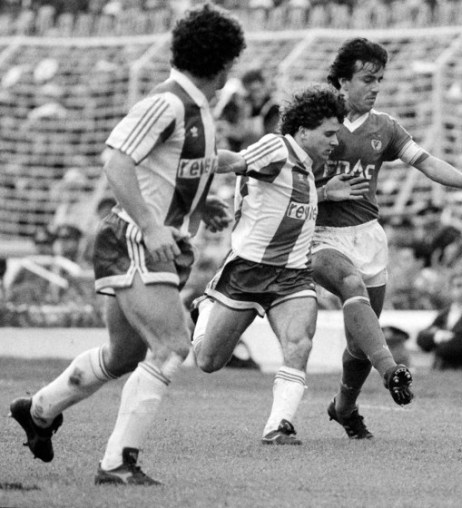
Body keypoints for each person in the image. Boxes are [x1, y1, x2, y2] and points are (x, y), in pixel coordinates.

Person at [9, 4, 246, 486]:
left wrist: (201, 204)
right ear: (224, 62)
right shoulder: (167, 103)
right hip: (137, 239)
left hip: (153, 240)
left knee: (124, 356)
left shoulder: (195, 108)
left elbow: (169, 167)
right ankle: (118, 463)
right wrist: (152, 226)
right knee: (173, 344)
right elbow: (117, 162)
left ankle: (38, 410)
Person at [313, 37, 462, 440]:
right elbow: (286, 180)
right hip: (322, 235)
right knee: (351, 285)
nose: (375, 88)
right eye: (367, 79)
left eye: (379, 80)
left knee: (360, 341)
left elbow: (426, 162)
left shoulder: (384, 127)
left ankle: (344, 407)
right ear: (343, 81)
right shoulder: (316, 122)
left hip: (368, 236)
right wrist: (323, 192)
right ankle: (391, 370)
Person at [191, 85, 351, 445]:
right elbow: (234, 162)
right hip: (248, 270)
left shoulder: (306, 168)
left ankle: (278, 426)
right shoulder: (277, 148)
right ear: (303, 131)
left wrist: (324, 193)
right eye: (328, 133)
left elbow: (283, 202)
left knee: (299, 344)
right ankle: (204, 309)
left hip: (293, 275)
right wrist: (193, 164)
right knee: (208, 361)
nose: (335, 141)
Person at [218, 68, 280, 152]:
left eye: (258, 90)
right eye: (252, 91)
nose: (256, 95)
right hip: (246, 151)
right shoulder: (246, 107)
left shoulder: (272, 108)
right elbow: (240, 132)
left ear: (263, 86)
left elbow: (274, 138)